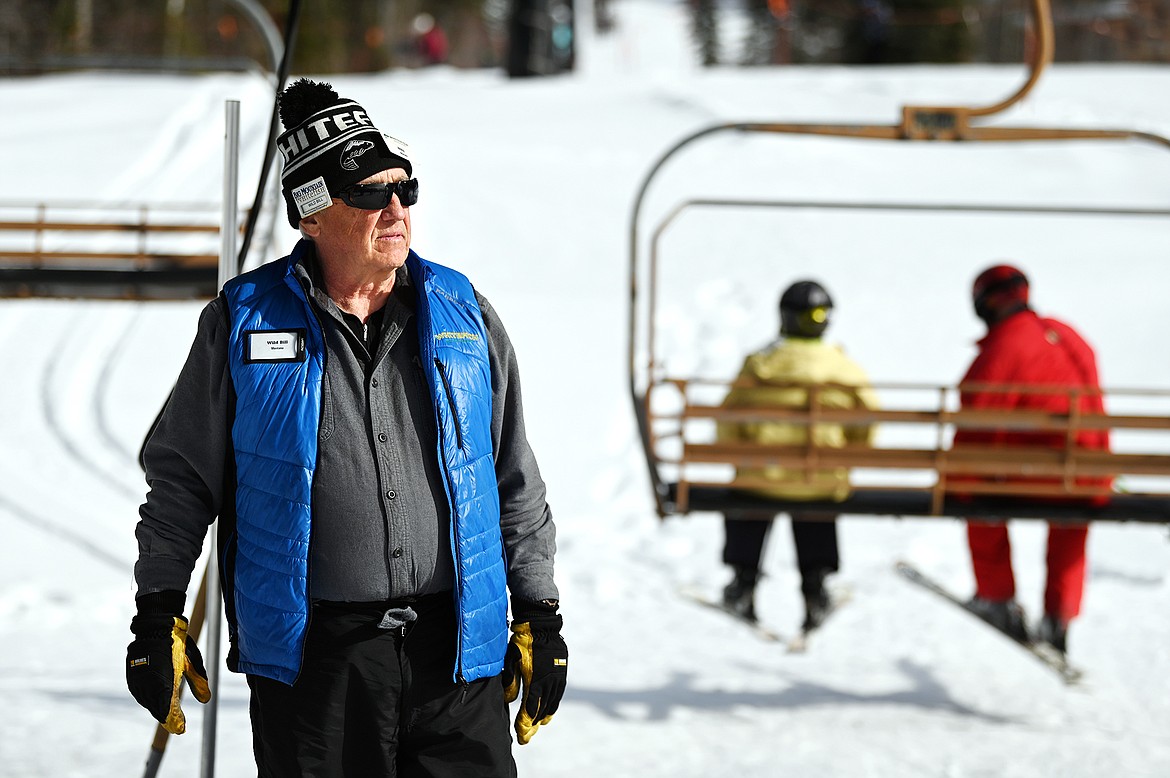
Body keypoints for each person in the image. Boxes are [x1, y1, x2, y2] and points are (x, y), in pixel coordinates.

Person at [125, 78, 567, 775]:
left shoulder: (463, 312)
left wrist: (540, 612)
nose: (396, 209)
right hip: (316, 668)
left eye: (405, 189)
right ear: (311, 212)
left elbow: (514, 478)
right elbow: (182, 483)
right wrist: (157, 612)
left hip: (456, 658)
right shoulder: (244, 322)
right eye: (368, 192)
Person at [954, 263, 1110, 655]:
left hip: (1034, 477)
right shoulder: (1067, 334)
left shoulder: (1005, 345)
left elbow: (978, 417)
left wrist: (953, 474)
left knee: (976, 500)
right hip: (1086, 477)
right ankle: (1059, 616)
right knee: (1073, 521)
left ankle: (997, 598)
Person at [717, 280, 877, 631]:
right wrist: (844, 457)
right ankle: (816, 588)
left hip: (762, 479)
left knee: (750, 489)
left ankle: (743, 581)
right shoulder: (844, 368)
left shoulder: (760, 364)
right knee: (816, 493)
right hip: (821, 481)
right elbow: (867, 422)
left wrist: (743, 458)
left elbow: (727, 421)